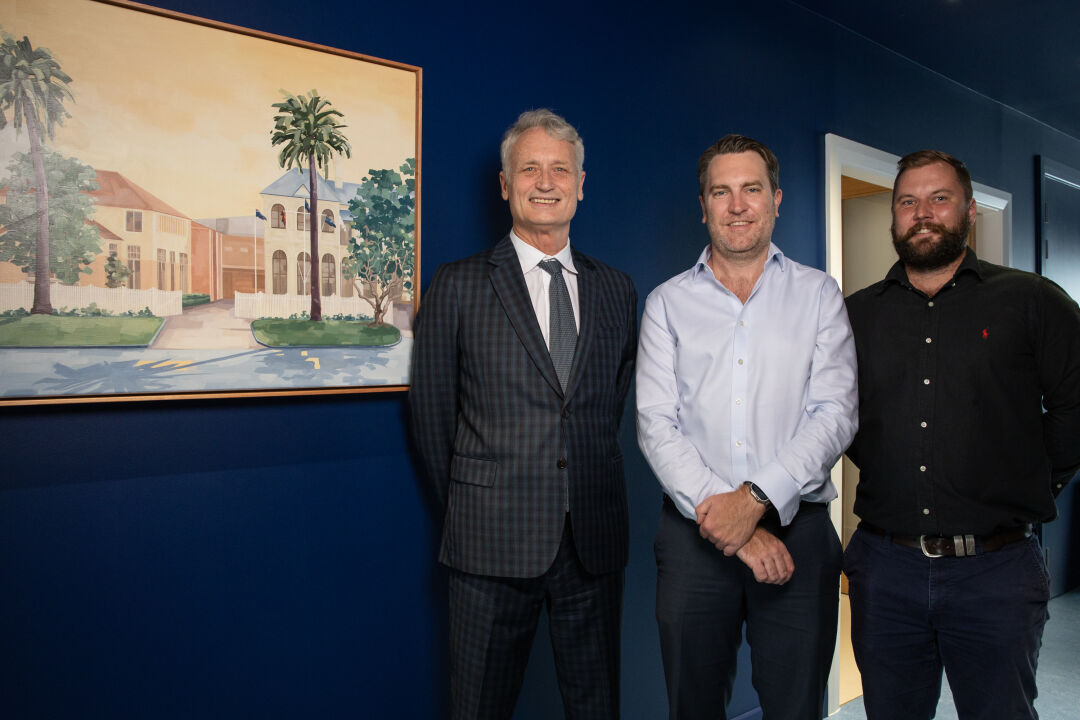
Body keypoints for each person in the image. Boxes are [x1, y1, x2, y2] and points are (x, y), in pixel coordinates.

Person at [409, 109, 637, 720]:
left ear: (580, 184)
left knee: (597, 708)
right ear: (505, 184)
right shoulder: (457, 285)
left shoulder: (617, 289)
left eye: (559, 169)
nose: (545, 181)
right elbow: (431, 418)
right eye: (529, 168)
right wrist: (474, 501)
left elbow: (606, 404)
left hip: (592, 542)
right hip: (490, 542)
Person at [844, 149, 1080, 720]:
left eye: (939, 198)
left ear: (969, 211)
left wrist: (1029, 481)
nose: (922, 213)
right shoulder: (855, 315)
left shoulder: (1031, 300)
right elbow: (835, 416)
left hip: (996, 571)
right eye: (908, 201)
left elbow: (1075, 408)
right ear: (894, 216)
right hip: (886, 568)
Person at [636, 134, 858, 719]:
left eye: (751, 189)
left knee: (796, 707)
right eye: (721, 192)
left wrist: (756, 499)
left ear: (776, 200)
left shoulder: (819, 295)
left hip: (799, 535)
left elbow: (835, 413)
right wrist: (731, 520)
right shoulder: (666, 304)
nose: (737, 206)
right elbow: (656, 424)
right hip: (692, 538)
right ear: (703, 205)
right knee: (693, 707)